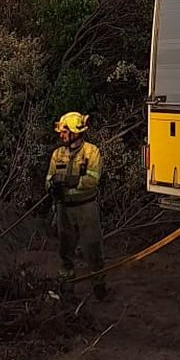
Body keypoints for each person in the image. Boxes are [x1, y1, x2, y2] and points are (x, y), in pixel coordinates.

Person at [48, 111, 108, 301]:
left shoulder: (92, 152)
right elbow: (48, 179)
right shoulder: (57, 154)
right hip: (64, 208)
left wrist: (70, 180)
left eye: (65, 132)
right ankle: (66, 289)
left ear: (76, 132)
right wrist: (52, 186)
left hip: (86, 208)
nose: (61, 135)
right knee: (65, 249)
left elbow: (93, 179)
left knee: (93, 248)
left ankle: (99, 287)